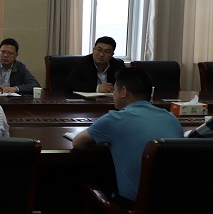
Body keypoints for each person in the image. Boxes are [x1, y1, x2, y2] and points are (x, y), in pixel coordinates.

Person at [72, 67, 182, 203]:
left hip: (132, 208)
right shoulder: (171, 118)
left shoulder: (115, 119)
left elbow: (78, 143)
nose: (113, 95)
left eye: (114, 90)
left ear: (123, 91)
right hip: (173, 206)